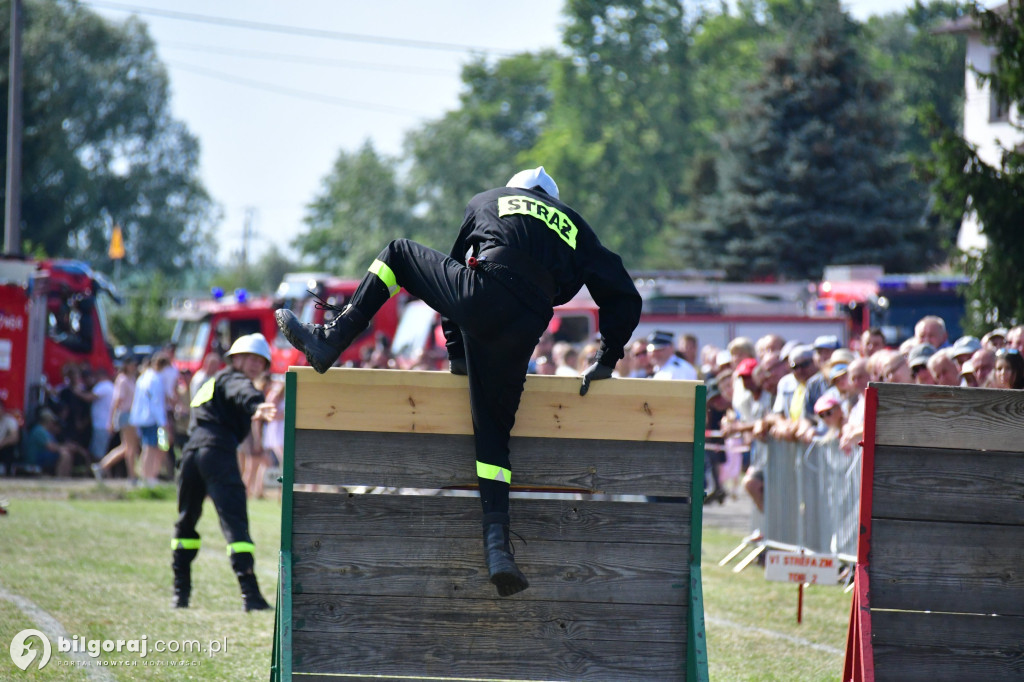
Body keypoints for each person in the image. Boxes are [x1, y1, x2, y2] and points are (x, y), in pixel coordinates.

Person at [275, 166, 641, 597]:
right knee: (493, 439)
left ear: (515, 189)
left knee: (398, 253)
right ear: (552, 200)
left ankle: (332, 338)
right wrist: (607, 357)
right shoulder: (576, 226)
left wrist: (456, 355)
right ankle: (498, 550)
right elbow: (624, 293)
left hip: (482, 293)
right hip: (528, 324)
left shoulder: (489, 198)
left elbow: (449, 275)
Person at [172, 333, 278, 611]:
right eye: (249, 358)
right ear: (235, 359)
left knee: (186, 522)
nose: (255, 365)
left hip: (191, 454)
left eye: (260, 361)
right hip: (216, 452)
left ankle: (180, 594)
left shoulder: (211, 382)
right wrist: (256, 404)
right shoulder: (233, 378)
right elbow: (241, 390)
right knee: (236, 524)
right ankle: (251, 596)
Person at [130, 355, 168, 487]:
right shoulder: (154, 379)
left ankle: (148, 475)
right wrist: (162, 421)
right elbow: (155, 403)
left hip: (142, 418)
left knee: (151, 446)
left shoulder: (144, 377)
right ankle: (147, 476)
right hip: (152, 418)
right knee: (150, 447)